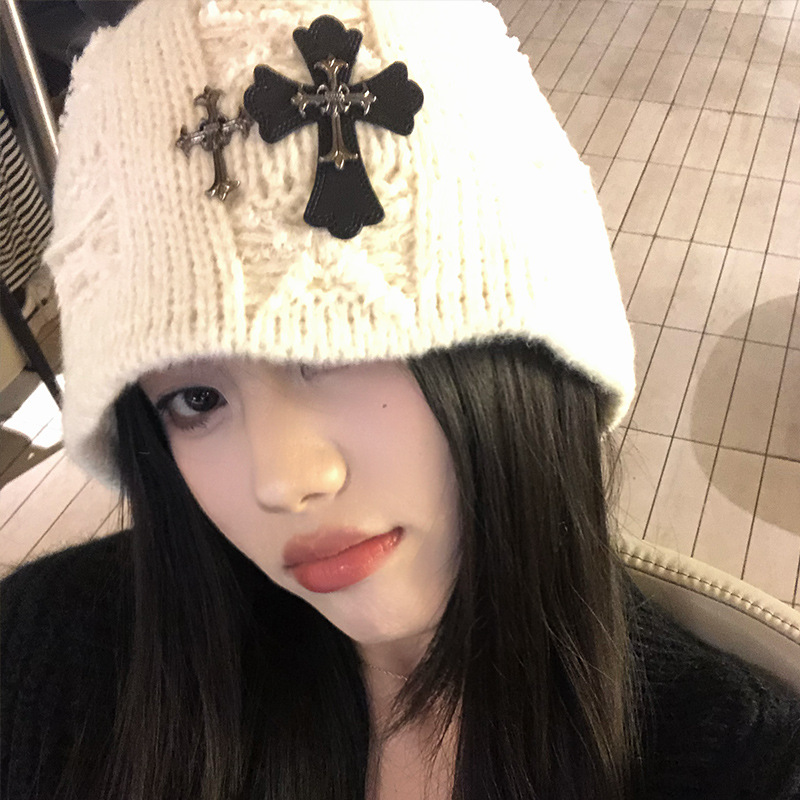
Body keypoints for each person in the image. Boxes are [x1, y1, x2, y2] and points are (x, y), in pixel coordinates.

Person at [2, 1, 799, 799]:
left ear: (521, 352)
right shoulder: (47, 658)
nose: (282, 480)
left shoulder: (746, 767)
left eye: (335, 343)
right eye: (196, 398)